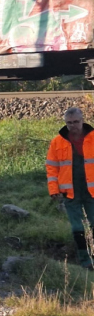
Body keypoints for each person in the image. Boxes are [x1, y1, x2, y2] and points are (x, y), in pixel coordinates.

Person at [47, 106, 94, 269]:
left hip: (92, 192)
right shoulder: (57, 142)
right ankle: (85, 261)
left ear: (83, 120)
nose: (73, 125)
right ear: (65, 123)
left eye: (76, 122)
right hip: (70, 192)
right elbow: (52, 168)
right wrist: (53, 190)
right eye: (69, 123)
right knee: (77, 228)